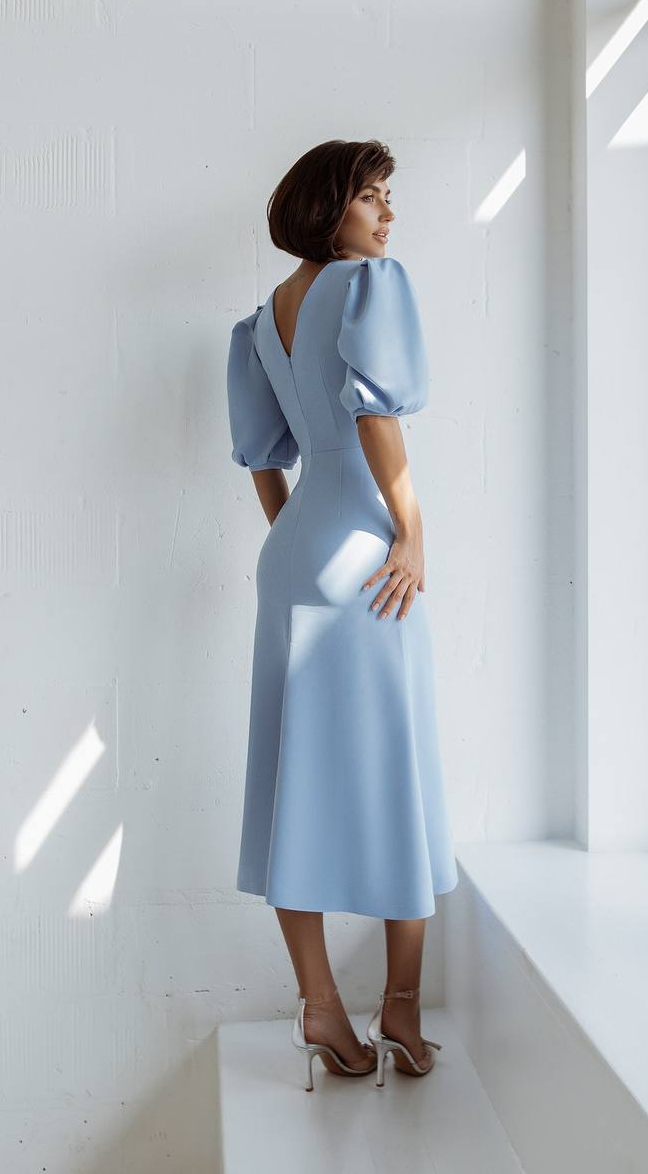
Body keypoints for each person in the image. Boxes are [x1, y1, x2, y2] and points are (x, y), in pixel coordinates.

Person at [226, 139, 458, 1090]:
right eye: (372, 197)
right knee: (396, 769)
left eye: (387, 198)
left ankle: (320, 1005)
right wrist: (408, 532)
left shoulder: (257, 322)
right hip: (365, 553)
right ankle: (399, 1007)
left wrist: (296, 543)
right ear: (330, 209)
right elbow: (376, 420)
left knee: (296, 784)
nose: (387, 216)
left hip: (293, 561)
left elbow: (262, 458)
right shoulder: (368, 286)